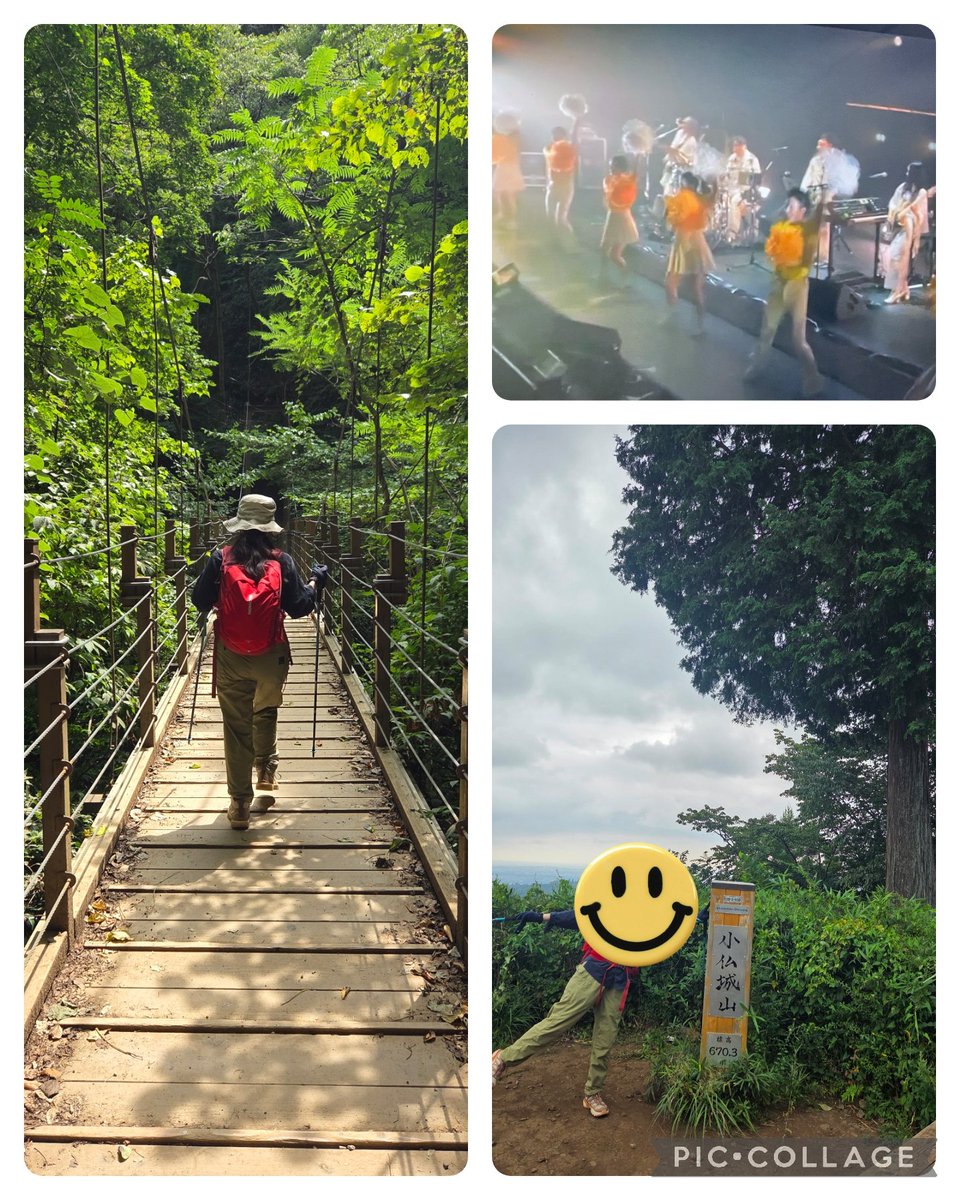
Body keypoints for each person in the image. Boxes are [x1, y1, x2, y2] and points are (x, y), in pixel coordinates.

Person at [493, 904, 708, 1117]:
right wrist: (542, 917)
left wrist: (694, 919)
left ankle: (592, 1094)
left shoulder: (646, 906)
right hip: (592, 971)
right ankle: (503, 1058)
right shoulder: (612, 897)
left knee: (606, 1038)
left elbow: (666, 926)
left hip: (620, 978)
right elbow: (582, 916)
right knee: (557, 1023)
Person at [191, 494, 326, 830]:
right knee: (265, 708)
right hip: (271, 653)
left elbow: (199, 601)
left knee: (237, 727)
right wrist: (314, 582)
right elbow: (298, 608)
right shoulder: (283, 561)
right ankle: (266, 769)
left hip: (232, 654)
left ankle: (239, 804)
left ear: (238, 523)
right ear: (271, 528)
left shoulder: (219, 559)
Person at [744, 187, 825, 397]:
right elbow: (772, 241)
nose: (788, 209)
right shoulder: (782, 226)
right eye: (787, 205)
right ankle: (756, 367)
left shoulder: (808, 231)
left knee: (799, 340)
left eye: (792, 206)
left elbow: (817, 218)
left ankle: (813, 378)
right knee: (767, 328)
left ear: (803, 210)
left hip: (797, 285)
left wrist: (824, 199)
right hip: (779, 282)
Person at [663, 171, 715, 334]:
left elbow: (675, 218)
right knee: (693, 287)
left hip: (686, 241)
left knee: (676, 283)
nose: (680, 185)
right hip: (693, 241)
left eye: (682, 183)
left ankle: (681, 317)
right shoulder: (699, 199)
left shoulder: (686, 198)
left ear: (687, 184)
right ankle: (697, 325)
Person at [882, 162, 931, 304]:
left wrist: (916, 238)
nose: (906, 172)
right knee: (896, 257)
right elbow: (893, 203)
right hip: (899, 225)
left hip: (910, 228)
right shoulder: (903, 187)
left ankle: (897, 290)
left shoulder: (921, 192)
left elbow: (921, 216)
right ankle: (903, 288)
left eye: (908, 170)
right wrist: (893, 216)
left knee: (898, 257)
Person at [600, 154, 639, 284]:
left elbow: (636, 171)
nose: (611, 167)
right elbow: (608, 191)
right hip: (613, 216)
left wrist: (638, 155)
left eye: (614, 165)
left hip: (622, 218)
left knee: (614, 254)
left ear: (621, 167)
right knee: (605, 249)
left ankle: (624, 275)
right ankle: (604, 276)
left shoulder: (628, 181)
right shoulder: (609, 180)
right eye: (611, 165)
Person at [724, 136, 761, 241]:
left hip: (748, 192)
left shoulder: (752, 160)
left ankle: (751, 233)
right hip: (734, 191)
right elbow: (728, 178)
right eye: (734, 146)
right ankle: (732, 234)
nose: (734, 148)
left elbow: (756, 180)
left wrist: (744, 196)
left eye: (737, 146)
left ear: (743, 146)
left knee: (742, 205)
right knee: (732, 201)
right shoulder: (731, 159)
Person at [493, 116, 525, 229]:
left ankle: (509, 218)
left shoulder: (504, 139)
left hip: (506, 167)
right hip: (509, 166)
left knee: (504, 194)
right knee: (505, 194)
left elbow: (495, 155)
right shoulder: (512, 137)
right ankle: (507, 218)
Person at [543, 126, 578, 231]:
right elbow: (548, 166)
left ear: (564, 136)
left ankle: (568, 237)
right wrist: (547, 182)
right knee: (550, 214)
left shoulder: (569, 148)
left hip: (566, 185)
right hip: (553, 185)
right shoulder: (549, 148)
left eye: (558, 134)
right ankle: (555, 239)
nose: (555, 137)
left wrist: (576, 120)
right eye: (554, 134)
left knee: (561, 218)